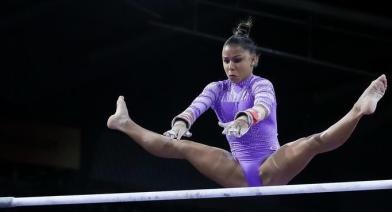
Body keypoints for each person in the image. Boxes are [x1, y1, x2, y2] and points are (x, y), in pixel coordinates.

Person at [107, 18, 387, 188]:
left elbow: (262, 106)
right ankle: (124, 123)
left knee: (313, 142)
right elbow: (196, 107)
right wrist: (180, 124)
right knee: (177, 146)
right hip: (238, 171)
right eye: (226, 61)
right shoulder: (216, 88)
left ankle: (358, 110)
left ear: (254, 60)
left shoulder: (262, 85)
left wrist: (244, 120)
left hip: (269, 167)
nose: (230, 66)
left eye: (237, 60)